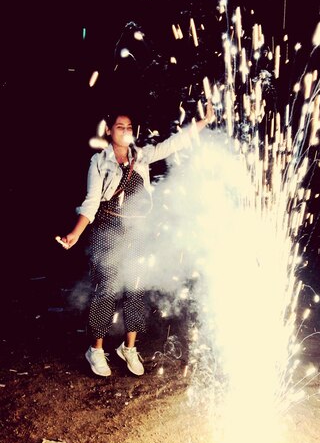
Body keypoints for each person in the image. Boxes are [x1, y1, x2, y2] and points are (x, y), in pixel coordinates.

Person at [56, 102, 214, 378]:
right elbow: (91, 202)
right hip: (107, 226)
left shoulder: (141, 156)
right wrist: (75, 234)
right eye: (120, 127)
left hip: (138, 229)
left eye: (129, 127)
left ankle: (128, 348)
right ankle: (96, 349)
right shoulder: (99, 161)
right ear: (109, 130)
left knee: (136, 287)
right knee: (106, 287)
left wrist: (204, 121)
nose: (125, 131)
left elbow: (174, 143)